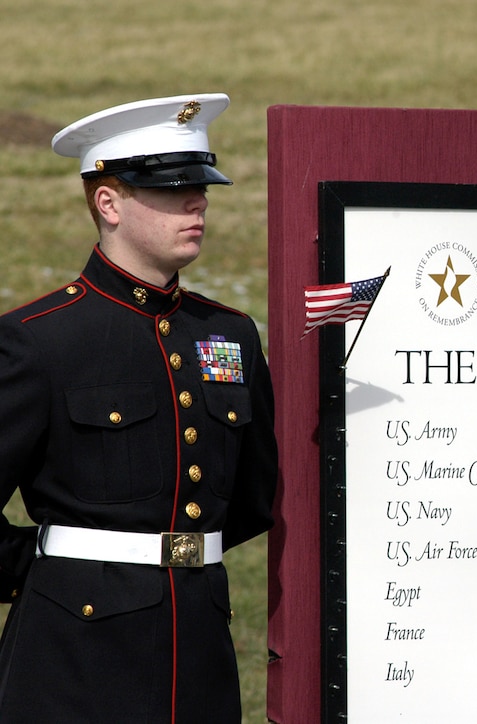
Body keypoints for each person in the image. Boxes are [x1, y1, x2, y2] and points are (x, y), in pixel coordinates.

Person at [0, 94, 278, 722]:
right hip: (74, 663)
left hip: (200, 656)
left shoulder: (230, 334)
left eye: (201, 186)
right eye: (172, 189)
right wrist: (49, 573)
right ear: (109, 202)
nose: (197, 202)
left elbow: (255, 496)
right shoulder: (40, 338)